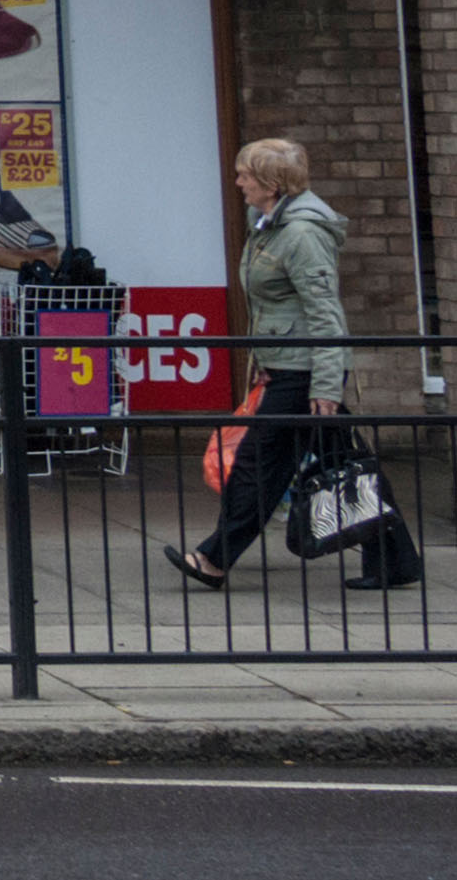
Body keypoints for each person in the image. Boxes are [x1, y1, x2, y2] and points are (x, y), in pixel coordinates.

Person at [168, 137, 421, 591]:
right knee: (345, 461)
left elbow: (325, 313)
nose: (239, 181)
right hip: (288, 365)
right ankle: (397, 560)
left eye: (246, 174)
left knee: (258, 464)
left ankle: (214, 558)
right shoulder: (269, 222)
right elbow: (278, 309)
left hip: (307, 373)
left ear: (271, 182)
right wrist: (269, 359)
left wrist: (324, 385)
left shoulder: (302, 234)